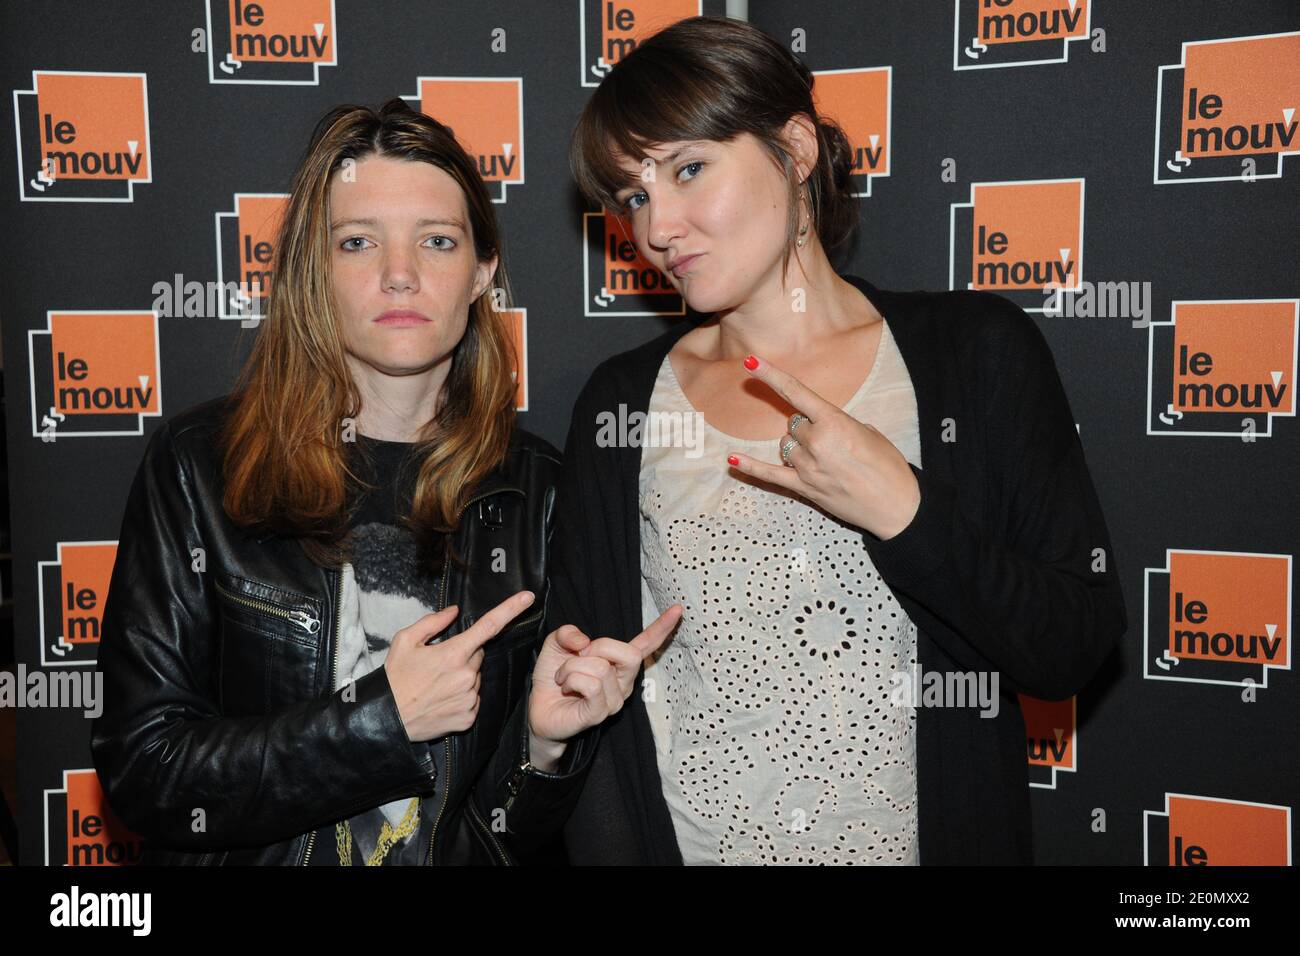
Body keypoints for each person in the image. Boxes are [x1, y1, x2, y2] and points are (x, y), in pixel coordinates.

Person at [554, 15, 1127, 864]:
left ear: (794, 148)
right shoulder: (621, 404)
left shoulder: (974, 353)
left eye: (688, 169)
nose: (658, 227)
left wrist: (906, 512)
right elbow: (590, 710)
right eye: (634, 196)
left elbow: (1072, 646)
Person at [90, 98, 680, 865]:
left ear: (481, 273)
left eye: (437, 241)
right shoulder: (201, 465)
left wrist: (541, 748)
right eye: (358, 242)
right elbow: (144, 772)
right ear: (315, 269)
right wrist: (381, 720)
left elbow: (504, 836)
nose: (400, 275)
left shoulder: (538, 494)